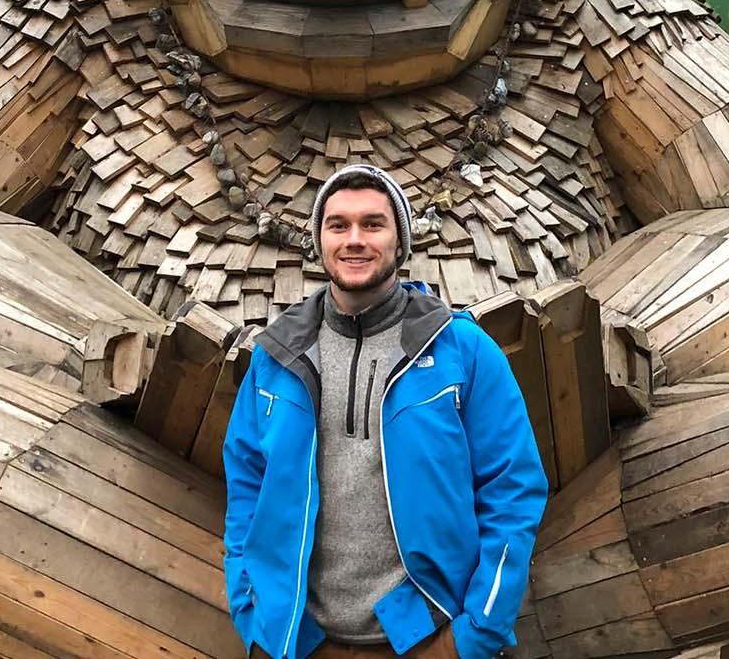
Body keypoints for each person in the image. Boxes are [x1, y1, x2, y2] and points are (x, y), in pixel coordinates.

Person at [222, 164, 549, 659]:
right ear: (320, 239)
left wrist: (474, 635)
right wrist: (252, 611)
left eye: (373, 224)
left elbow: (513, 491)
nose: (355, 240)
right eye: (339, 225)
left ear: (400, 242)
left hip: (426, 637)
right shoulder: (278, 355)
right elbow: (246, 486)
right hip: (300, 639)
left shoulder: (460, 349)